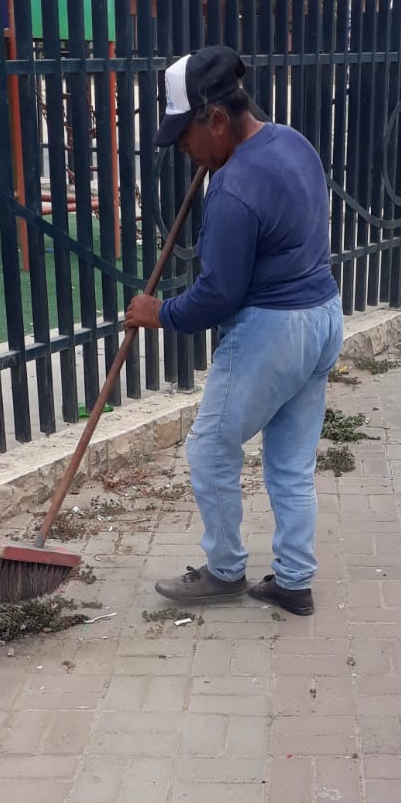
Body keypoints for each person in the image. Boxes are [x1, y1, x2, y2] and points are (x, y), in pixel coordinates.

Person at [124, 44, 343, 617]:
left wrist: (158, 313)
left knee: (209, 447)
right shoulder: (293, 142)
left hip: (275, 332)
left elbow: (218, 295)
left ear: (216, 119)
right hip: (324, 317)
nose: (184, 151)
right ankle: (293, 582)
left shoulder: (233, 187)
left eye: (185, 138)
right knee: (291, 463)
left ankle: (224, 571)